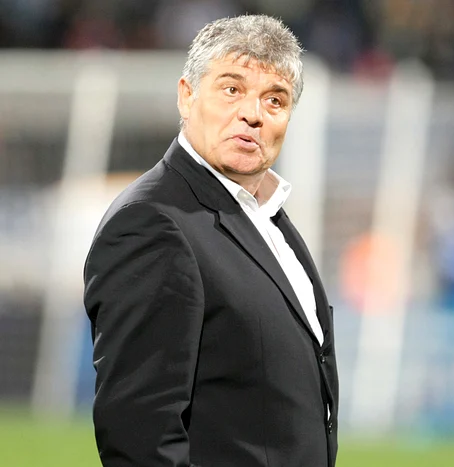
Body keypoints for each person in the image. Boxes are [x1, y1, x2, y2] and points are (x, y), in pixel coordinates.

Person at [83, 15, 339, 467]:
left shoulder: (267, 216)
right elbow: (139, 434)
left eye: (274, 100)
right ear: (187, 96)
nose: (253, 114)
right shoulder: (151, 223)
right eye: (232, 89)